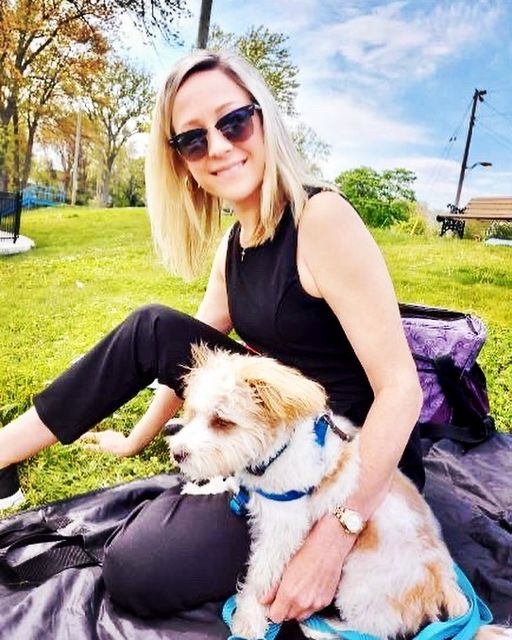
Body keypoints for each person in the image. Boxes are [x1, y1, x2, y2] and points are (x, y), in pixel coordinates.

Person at [0, 50, 424, 625]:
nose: (219, 148)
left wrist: (336, 535)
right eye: (193, 141)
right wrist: (134, 440)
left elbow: (402, 389)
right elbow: (189, 363)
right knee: (155, 324)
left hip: (343, 458)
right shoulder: (235, 243)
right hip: (271, 428)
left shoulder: (322, 220)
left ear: (263, 118)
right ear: (181, 163)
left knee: (136, 567)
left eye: (233, 122)